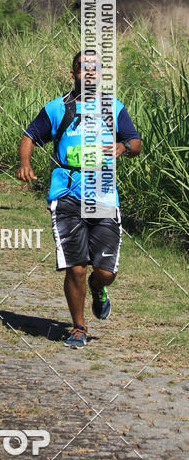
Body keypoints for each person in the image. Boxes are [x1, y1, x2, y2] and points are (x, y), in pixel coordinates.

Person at [16, 51, 141, 349]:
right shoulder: (58, 108)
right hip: (66, 194)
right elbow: (30, 135)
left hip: (104, 195)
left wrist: (124, 147)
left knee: (105, 272)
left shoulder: (114, 108)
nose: (89, 74)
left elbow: (135, 142)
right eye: (83, 69)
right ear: (72, 73)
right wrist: (25, 162)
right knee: (76, 267)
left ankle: (99, 289)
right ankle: (78, 327)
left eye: (95, 69)